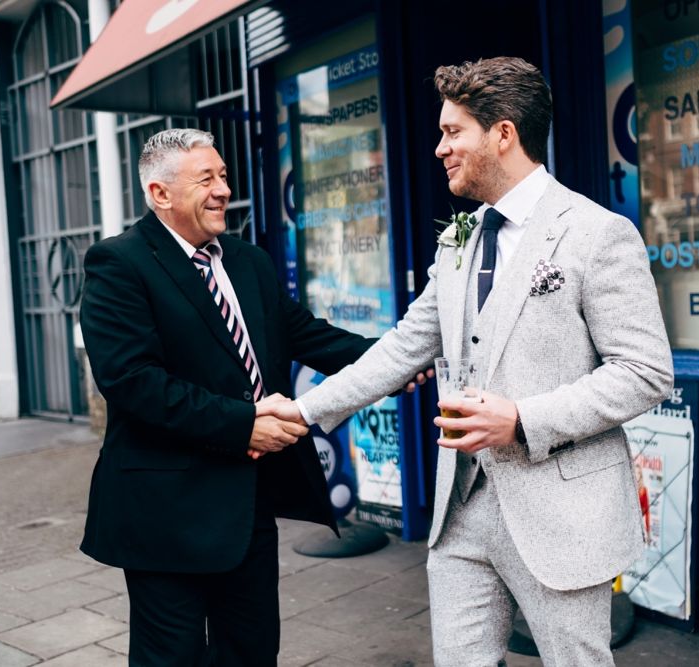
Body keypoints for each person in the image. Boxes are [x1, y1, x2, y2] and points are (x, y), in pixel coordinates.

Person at [260, 57, 673, 666]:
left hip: (560, 515)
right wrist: (301, 411)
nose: (439, 148)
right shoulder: (459, 239)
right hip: (460, 512)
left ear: (503, 133)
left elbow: (645, 370)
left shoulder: (597, 233)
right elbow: (403, 347)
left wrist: (522, 419)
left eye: (453, 132)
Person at [79, 128, 377, 666]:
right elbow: (131, 382)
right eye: (206, 179)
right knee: (173, 657)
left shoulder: (247, 261)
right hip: (164, 513)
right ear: (160, 193)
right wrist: (244, 423)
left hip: (247, 502)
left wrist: (398, 360)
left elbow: (307, 335)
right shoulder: (119, 263)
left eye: (223, 176)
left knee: (253, 650)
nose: (222, 190)